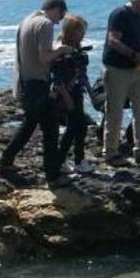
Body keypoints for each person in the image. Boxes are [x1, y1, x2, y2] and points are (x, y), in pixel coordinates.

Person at [0, 0, 73, 187]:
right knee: (51, 130)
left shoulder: (27, 20)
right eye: (61, 16)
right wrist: (62, 50)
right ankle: (53, 176)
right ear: (57, 9)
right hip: (37, 84)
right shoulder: (46, 24)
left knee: (29, 125)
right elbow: (44, 57)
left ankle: (5, 162)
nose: (59, 21)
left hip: (24, 82)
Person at [102, 0, 140, 165]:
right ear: (138, 0)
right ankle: (111, 153)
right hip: (117, 68)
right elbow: (113, 40)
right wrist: (134, 55)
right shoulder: (120, 14)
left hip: (136, 69)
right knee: (115, 111)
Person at [51, 14, 95, 174]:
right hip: (65, 93)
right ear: (71, 30)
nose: (82, 34)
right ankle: (64, 161)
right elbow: (56, 77)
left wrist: (91, 94)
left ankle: (77, 160)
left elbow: (82, 74)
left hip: (76, 90)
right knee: (74, 127)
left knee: (79, 127)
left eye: (83, 31)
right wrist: (67, 98)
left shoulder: (77, 47)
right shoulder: (61, 48)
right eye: (80, 31)